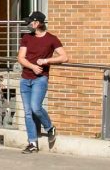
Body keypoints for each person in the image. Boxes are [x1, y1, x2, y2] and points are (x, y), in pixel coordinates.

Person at [18, 11, 70, 154]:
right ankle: (33, 143)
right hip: (25, 79)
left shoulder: (51, 39)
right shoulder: (27, 38)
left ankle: (50, 128)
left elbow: (64, 57)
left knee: (36, 108)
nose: (28, 24)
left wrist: (47, 61)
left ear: (38, 23)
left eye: (31, 22)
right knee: (28, 113)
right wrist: (33, 66)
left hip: (40, 80)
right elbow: (21, 58)